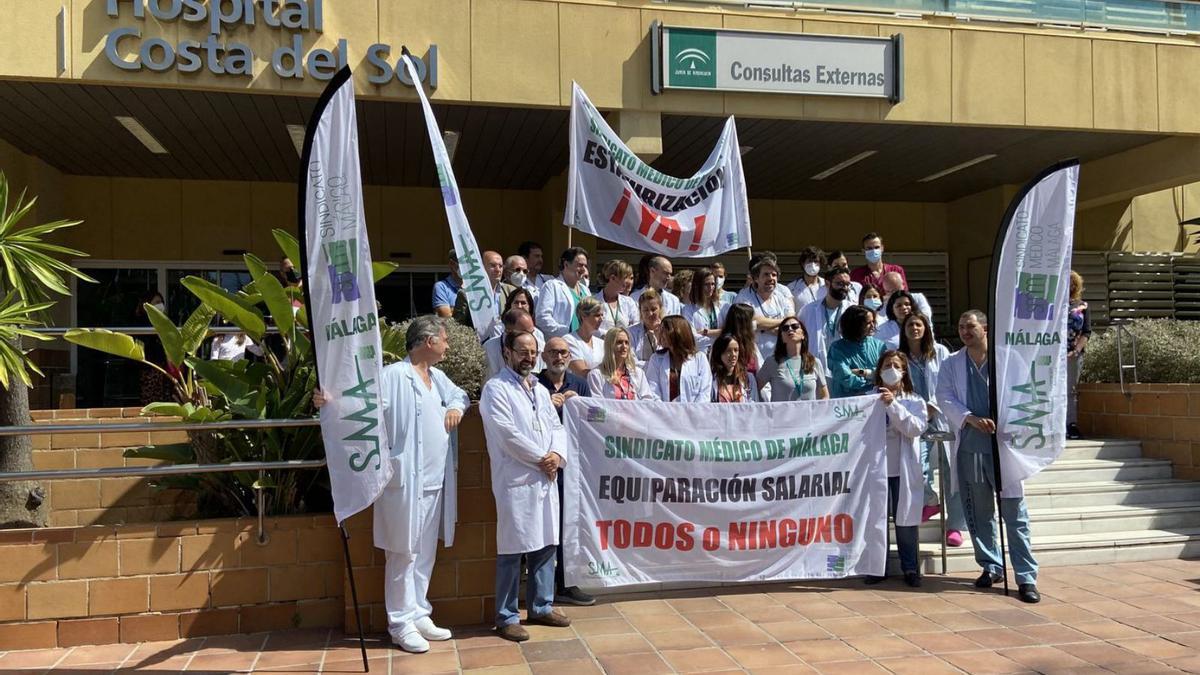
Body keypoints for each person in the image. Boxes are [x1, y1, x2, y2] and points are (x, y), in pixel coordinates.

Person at [314, 316, 468, 653]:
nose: (447, 345)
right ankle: (399, 622)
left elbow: (461, 395)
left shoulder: (437, 377)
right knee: (402, 552)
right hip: (404, 483)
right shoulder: (395, 375)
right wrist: (330, 401)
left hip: (433, 483)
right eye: (443, 339)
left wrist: (455, 407)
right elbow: (364, 407)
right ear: (428, 341)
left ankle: (418, 611)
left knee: (424, 551)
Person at [936, 310, 1040, 604]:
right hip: (970, 445)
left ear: (985, 328)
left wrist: (1007, 420)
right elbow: (944, 397)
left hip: (1003, 448)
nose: (965, 332)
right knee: (979, 514)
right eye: (961, 326)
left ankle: (1025, 576)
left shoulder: (1008, 359)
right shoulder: (952, 363)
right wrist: (969, 418)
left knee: (1014, 514)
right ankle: (991, 566)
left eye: (970, 326)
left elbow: (1025, 395)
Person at [480, 331, 572, 641]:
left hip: (545, 476)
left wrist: (556, 455)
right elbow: (507, 435)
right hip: (516, 479)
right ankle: (506, 616)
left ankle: (541, 606)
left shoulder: (541, 390)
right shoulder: (495, 389)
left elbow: (557, 427)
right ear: (507, 352)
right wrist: (541, 458)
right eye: (522, 351)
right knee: (512, 547)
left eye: (533, 352)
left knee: (547, 542)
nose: (529, 357)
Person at [534, 337, 596, 608]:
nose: (558, 357)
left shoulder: (580, 384)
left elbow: (598, 419)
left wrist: (580, 404)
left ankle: (566, 584)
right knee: (541, 528)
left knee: (568, 526)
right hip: (540, 464)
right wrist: (546, 403)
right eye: (553, 353)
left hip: (572, 467)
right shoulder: (534, 383)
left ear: (570, 356)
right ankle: (538, 589)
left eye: (563, 352)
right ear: (544, 356)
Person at [864, 351, 928, 588]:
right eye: (887, 365)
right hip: (876, 468)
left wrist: (893, 405)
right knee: (877, 520)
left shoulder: (915, 400)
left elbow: (915, 428)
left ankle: (910, 567)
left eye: (896, 365)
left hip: (903, 469)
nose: (891, 368)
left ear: (903, 371)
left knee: (906, 523)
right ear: (879, 370)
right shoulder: (868, 399)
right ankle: (877, 567)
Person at [902, 313, 964, 542]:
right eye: (910, 325)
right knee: (917, 464)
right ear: (904, 329)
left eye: (919, 324)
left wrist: (933, 406)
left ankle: (954, 526)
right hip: (913, 420)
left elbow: (951, 384)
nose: (915, 328)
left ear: (926, 328)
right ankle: (930, 500)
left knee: (951, 471)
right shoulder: (900, 356)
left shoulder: (940, 352)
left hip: (941, 416)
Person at [735, 255, 795, 360]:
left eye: (774, 275)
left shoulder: (781, 297)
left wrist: (764, 327)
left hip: (781, 357)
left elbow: (791, 320)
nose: (771, 278)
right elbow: (754, 321)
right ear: (756, 278)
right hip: (754, 358)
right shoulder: (744, 297)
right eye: (766, 274)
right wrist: (782, 324)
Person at [757, 315, 829, 401]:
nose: (790, 329)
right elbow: (754, 389)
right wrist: (765, 409)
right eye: (785, 328)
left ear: (803, 335)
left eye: (795, 326)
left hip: (809, 414)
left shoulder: (815, 362)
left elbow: (825, 395)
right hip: (781, 414)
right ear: (782, 337)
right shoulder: (772, 362)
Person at [799, 266, 855, 373]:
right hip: (815, 369)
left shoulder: (852, 310)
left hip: (846, 370)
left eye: (848, 284)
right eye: (840, 284)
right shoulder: (808, 311)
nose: (845, 288)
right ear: (828, 283)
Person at [646, 316, 713, 402]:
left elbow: (705, 393)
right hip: (664, 413)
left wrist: (690, 413)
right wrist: (666, 413)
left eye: (664, 331)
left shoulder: (700, 359)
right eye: (660, 330)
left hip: (694, 413)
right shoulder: (656, 359)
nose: (660, 334)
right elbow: (653, 392)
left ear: (678, 333)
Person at [828, 305, 887, 398]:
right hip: (846, 402)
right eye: (868, 323)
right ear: (855, 325)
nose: (872, 326)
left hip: (873, 400)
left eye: (873, 322)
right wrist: (871, 380)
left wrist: (864, 373)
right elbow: (844, 376)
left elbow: (884, 372)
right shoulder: (837, 348)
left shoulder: (879, 345)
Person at [586, 327, 657, 400]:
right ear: (609, 345)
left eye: (626, 342)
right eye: (619, 342)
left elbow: (647, 399)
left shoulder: (638, 373)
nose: (624, 346)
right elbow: (596, 405)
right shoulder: (596, 375)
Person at [454, 250, 515, 334]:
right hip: (478, 344)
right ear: (481, 267)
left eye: (500, 266)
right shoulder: (466, 294)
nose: (498, 270)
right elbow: (457, 327)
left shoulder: (511, 291)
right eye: (493, 266)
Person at [536, 247, 590, 338]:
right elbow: (542, 318)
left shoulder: (586, 290)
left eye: (585, 266)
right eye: (580, 265)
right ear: (566, 264)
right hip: (561, 342)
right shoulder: (552, 286)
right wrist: (568, 332)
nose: (584, 269)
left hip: (583, 343)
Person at [483, 309, 545, 379]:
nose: (531, 336)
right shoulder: (489, 348)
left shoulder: (537, 345)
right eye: (525, 333)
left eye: (532, 332)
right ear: (508, 331)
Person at [1067, 271, 1091, 440]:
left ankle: (1071, 424)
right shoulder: (1049, 305)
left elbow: (1086, 331)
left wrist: (1076, 351)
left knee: (1071, 390)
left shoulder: (1083, 306)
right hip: (1052, 353)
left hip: (1073, 355)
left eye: (1071, 282)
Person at [720, 303, 764, 383]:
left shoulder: (750, 344)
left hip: (751, 391)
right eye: (751, 320)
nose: (753, 324)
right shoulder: (723, 345)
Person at [684, 267, 726, 350]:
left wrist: (706, 332)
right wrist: (720, 335)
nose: (710, 288)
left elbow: (731, 332)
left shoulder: (722, 306)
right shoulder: (688, 310)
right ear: (697, 285)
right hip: (700, 355)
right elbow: (693, 339)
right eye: (706, 284)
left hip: (719, 355)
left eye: (713, 284)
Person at [564, 296, 605, 377]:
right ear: (583, 316)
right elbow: (582, 373)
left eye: (602, 315)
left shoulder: (601, 343)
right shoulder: (569, 340)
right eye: (597, 315)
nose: (601, 319)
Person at [710, 334, 758, 402]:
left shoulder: (748, 379)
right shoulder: (711, 379)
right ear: (719, 353)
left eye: (736, 350)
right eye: (728, 350)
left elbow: (754, 406)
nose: (733, 354)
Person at [594, 260, 638, 334]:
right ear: (613, 278)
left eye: (630, 278)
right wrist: (611, 336)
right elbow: (590, 328)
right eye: (625, 277)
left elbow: (636, 326)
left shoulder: (629, 302)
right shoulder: (593, 301)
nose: (629, 282)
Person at [628, 289, 664, 366]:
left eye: (653, 309)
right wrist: (654, 366)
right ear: (640, 311)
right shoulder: (630, 332)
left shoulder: (668, 330)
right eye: (645, 310)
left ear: (660, 308)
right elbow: (631, 361)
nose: (650, 313)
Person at [788, 247, 826, 312]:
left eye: (816, 261)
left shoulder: (827, 285)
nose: (813, 264)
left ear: (820, 264)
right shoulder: (791, 288)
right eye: (809, 261)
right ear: (803, 264)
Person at [431, 249, 462, 318]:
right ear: (451, 264)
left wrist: (452, 309)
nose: (466, 267)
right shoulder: (441, 287)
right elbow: (446, 316)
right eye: (462, 262)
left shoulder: (474, 286)